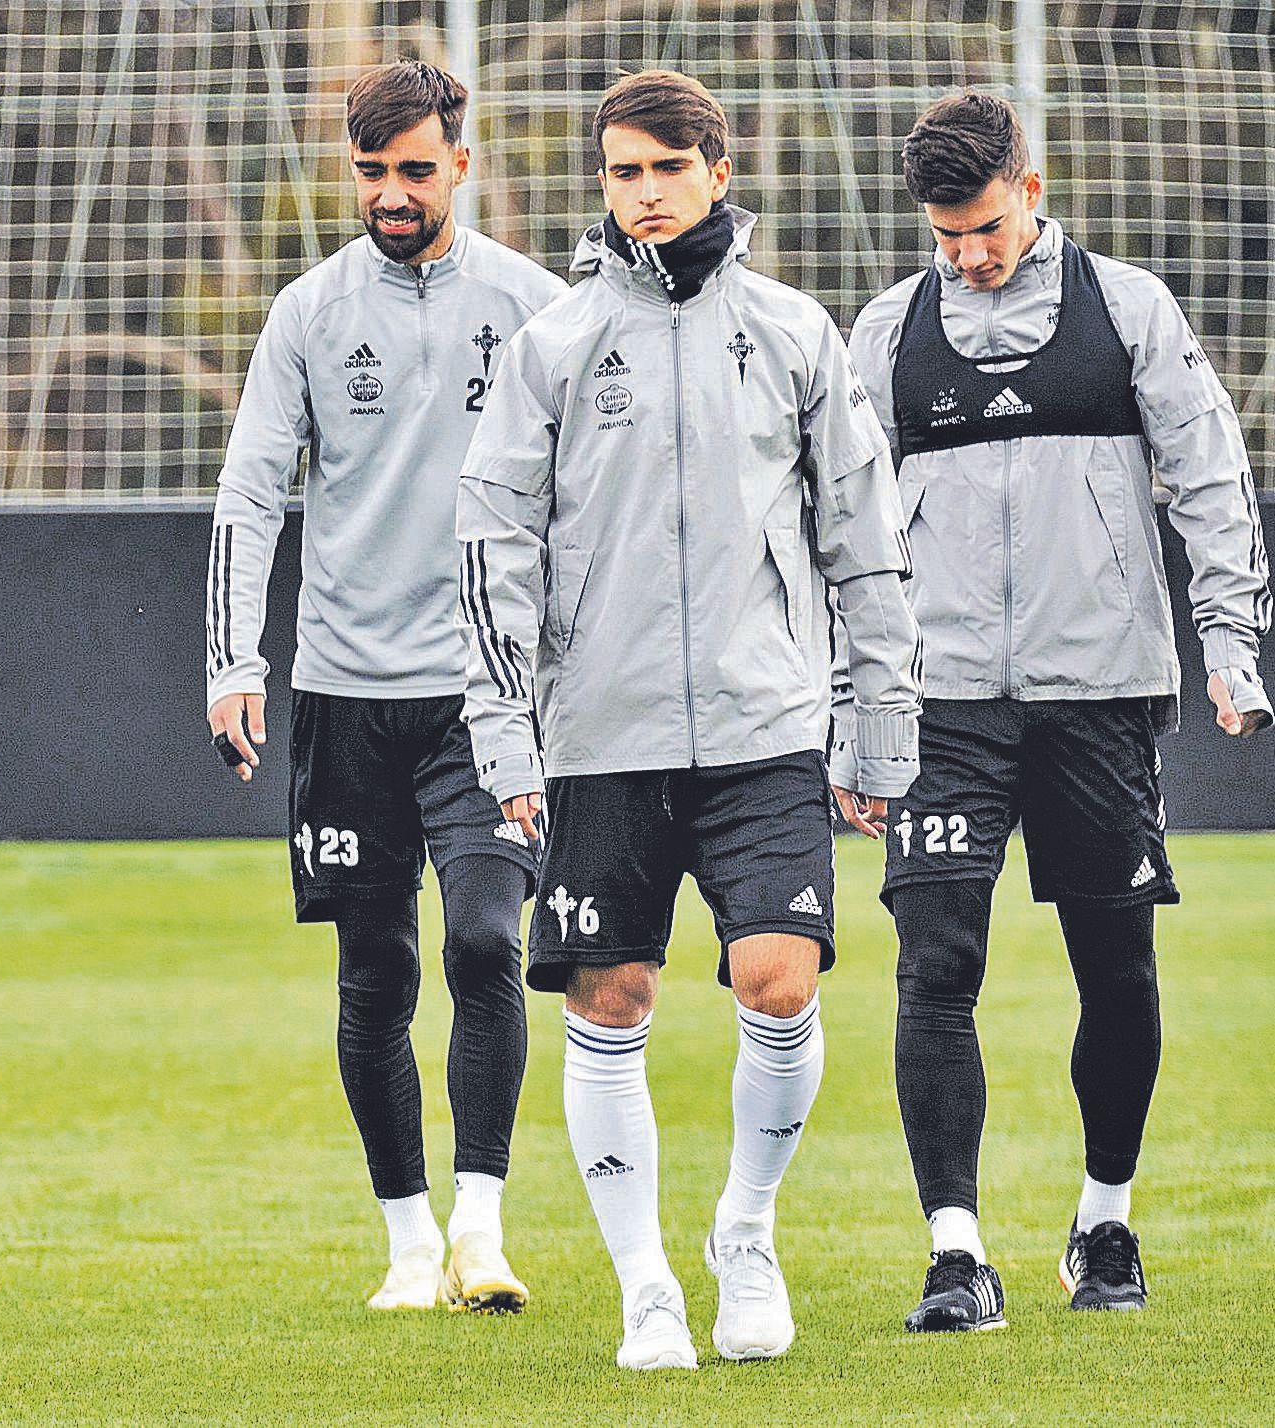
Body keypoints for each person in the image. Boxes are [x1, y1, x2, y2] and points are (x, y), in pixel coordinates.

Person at [457, 69, 921, 1370]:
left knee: (778, 981)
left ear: (717, 170)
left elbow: (862, 541)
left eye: (666, 168)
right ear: (599, 187)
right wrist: (507, 741)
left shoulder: (791, 331)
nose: (644, 194)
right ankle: (645, 1282)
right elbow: (493, 553)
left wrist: (877, 726)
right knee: (608, 1000)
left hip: (765, 725)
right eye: (621, 172)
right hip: (597, 741)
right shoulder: (553, 343)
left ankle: (744, 1230)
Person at [848, 92, 1270, 1333]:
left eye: (982, 226)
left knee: (1114, 964)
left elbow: (1207, 477)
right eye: (944, 236)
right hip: (940, 705)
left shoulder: (1127, 311)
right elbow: (839, 533)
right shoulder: (886, 333)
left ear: (1029, 191)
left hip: (1101, 695)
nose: (967, 254)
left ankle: (1103, 1220)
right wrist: (851, 705)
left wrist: (1229, 644)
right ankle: (954, 1252)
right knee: (934, 967)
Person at [203, 60, 566, 1314]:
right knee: (374, 974)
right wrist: (232, 662)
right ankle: (408, 1240)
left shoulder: (532, 304)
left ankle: (481, 1225)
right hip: (348, 695)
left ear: (461, 161)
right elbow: (251, 487)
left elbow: (582, 493)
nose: (395, 192)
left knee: (483, 941)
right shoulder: (308, 311)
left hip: (486, 696)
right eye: (373, 172)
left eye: (417, 168)